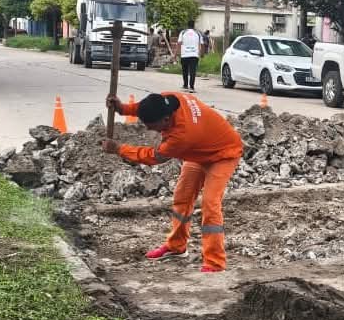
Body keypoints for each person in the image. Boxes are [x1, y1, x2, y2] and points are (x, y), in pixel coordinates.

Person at [102, 92, 243, 272]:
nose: (150, 130)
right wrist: (123, 109)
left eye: (153, 126)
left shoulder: (182, 136)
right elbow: (147, 106)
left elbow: (154, 157)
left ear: (167, 119)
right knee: (182, 197)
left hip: (224, 153)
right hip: (199, 151)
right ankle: (176, 246)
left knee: (210, 203)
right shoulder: (170, 98)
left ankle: (215, 262)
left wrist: (119, 149)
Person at [177, 21, 202, 92]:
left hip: (184, 55)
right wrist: (202, 53)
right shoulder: (198, 33)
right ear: (194, 25)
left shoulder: (182, 32)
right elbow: (202, 44)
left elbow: (179, 43)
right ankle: (191, 87)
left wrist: (176, 54)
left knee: (184, 70)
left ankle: (185, 85)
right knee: (192, 71)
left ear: (187, 25)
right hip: (194, 55)